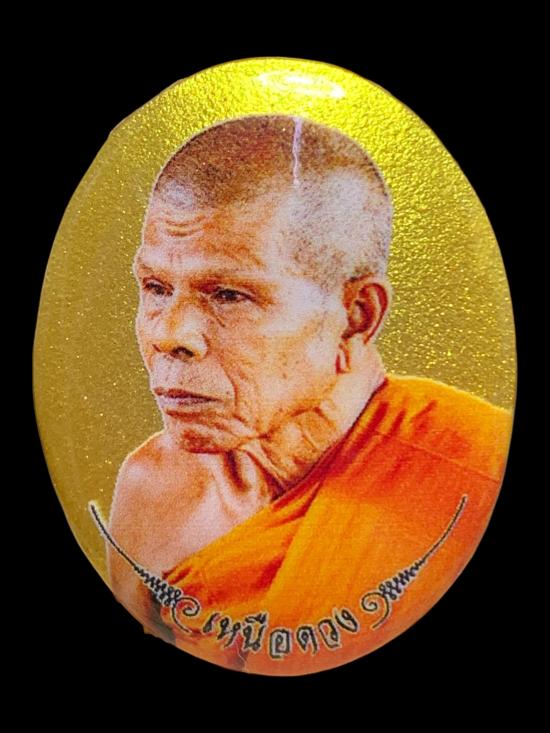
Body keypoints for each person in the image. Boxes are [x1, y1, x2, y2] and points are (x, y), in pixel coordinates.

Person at [89, 115, 513, 675]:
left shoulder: (478, 475)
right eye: (155, 287)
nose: (169, 334)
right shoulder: (154, 490)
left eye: (229, 294)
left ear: (355, 317)